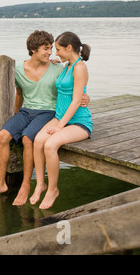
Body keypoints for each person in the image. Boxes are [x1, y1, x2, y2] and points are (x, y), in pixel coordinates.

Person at [0, 30, 62, 205]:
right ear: (33, 49)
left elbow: (70, 89)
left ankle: (26, 185)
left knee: (28, 138)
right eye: (46, 48)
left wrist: (83, 98)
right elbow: (19, 93)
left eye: (51, 48)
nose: (50, 52)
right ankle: (0, 184)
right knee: (3, 136)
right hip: (25, 111)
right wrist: (15, 116)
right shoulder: (19, 69)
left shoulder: (57, 68)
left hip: (47, 112)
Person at [30, 31, 93, 209]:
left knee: (50, 145)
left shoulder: (79, 67)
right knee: (38, 140)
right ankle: (40, 184)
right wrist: (54, 63)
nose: (55, 53)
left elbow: (75, 101)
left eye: (58, 49)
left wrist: (59, 126)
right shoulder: (66, 66)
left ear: (69, 48)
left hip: (79, 122)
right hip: (61, 118)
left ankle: (52, 190)